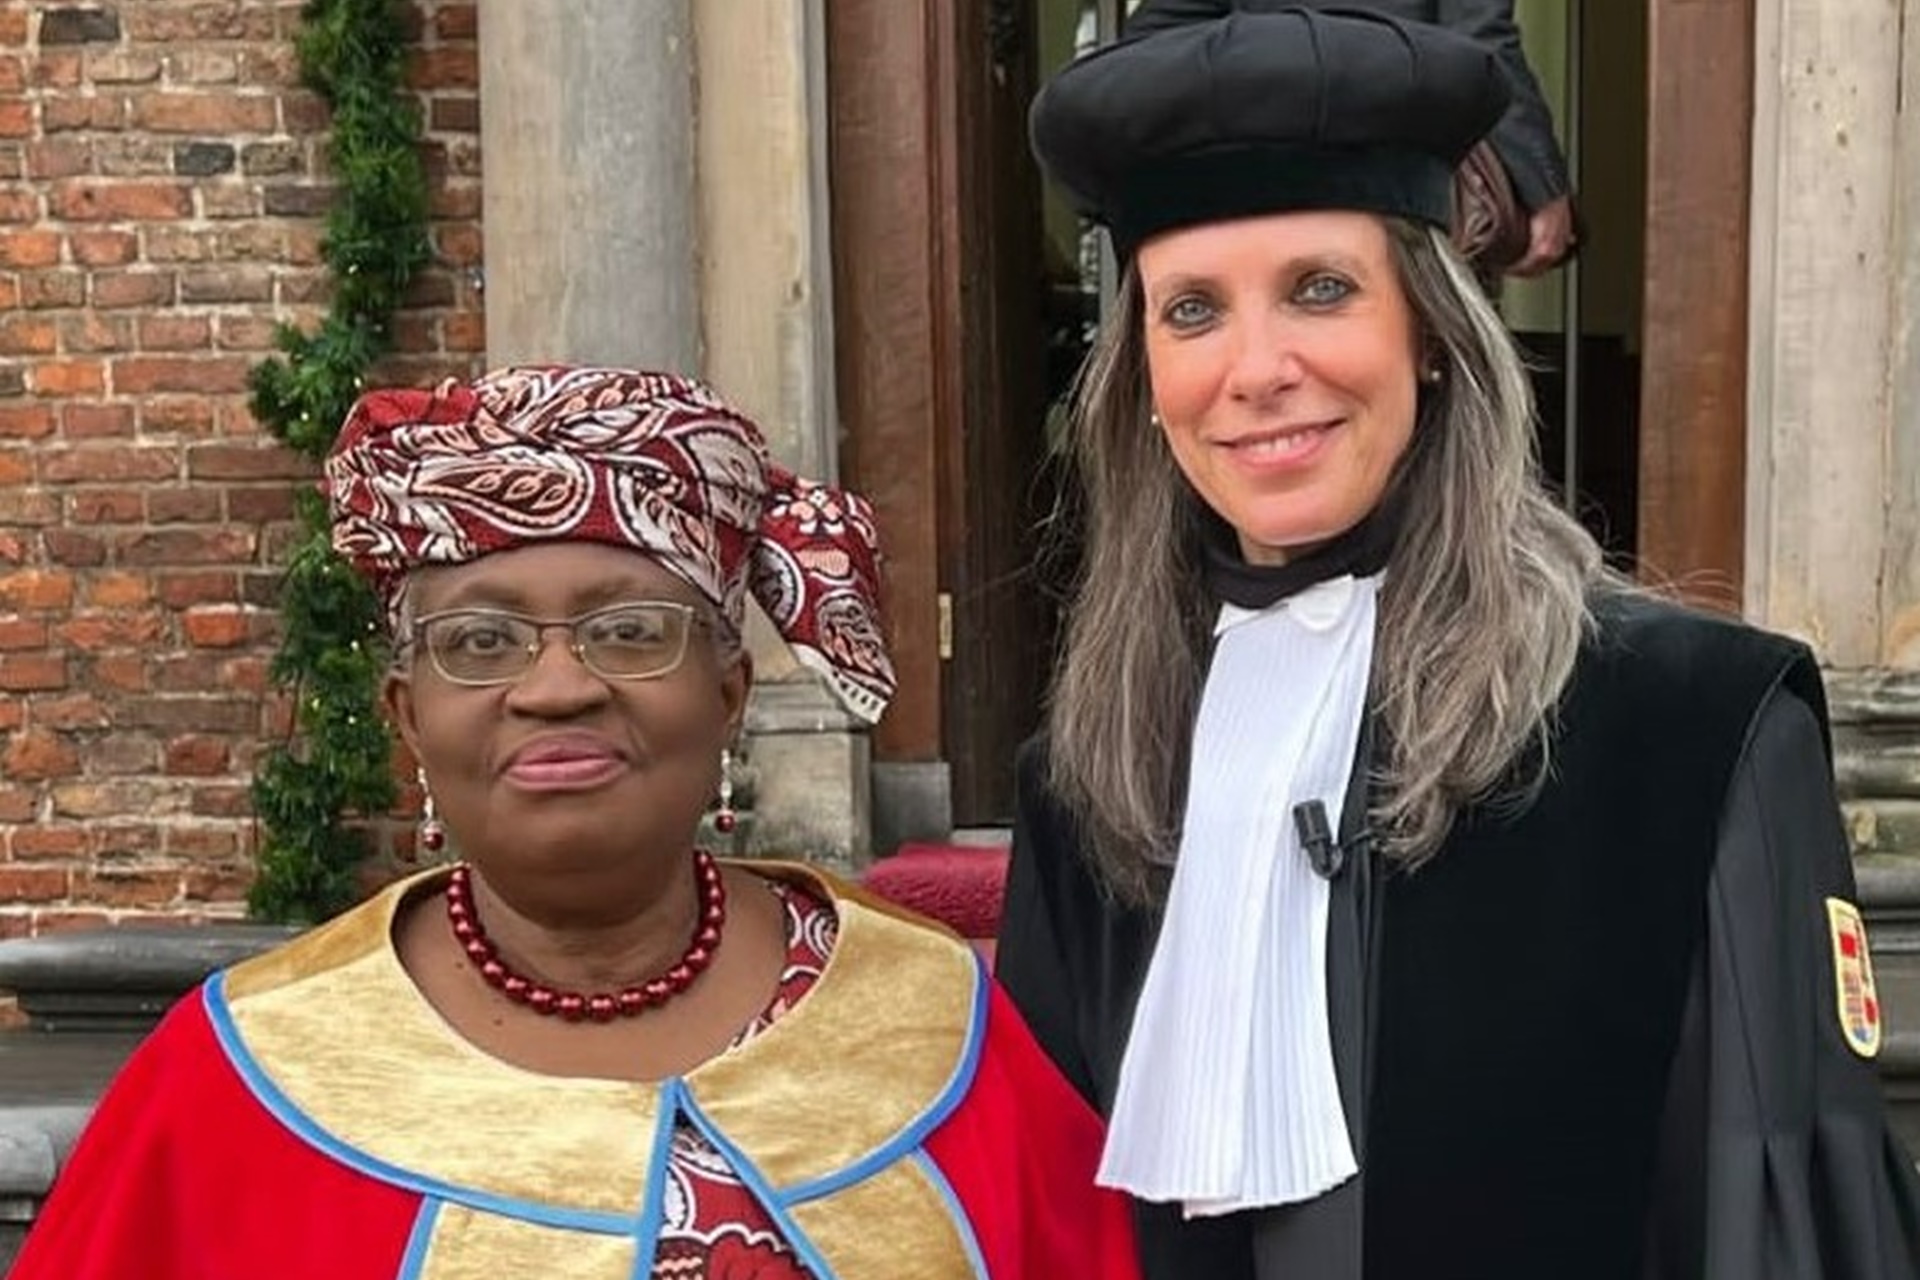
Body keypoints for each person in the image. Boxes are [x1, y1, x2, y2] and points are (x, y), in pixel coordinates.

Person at [997, 8, 1920, 1279]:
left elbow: (1773, 1228)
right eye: (1193, 310)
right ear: (1141, 381)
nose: (1255, 368)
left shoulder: (1696, 732)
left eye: (1319, 288)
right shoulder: (1091, 777)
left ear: (1430, 333)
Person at [12, 366, 1140, 1280]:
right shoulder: (242, 1073)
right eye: (481, 642)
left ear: (728, 693)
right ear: (407, 714)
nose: (556, 687)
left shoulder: (934, 1022)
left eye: (631, 629)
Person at [1128, 0, 1576, 276]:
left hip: (1271, 192)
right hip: (1404, 190)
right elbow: (1480, 38)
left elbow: (1149, 38)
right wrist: (1544, 186)